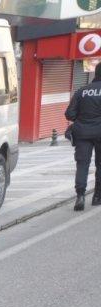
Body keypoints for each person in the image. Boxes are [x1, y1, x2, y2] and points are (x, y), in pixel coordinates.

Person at [66, 63, 101, 212]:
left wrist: (83, 118)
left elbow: (69, 114)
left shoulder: (82, 91)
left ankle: (80, 196)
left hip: (82, 133)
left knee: (82, 164)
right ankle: (97, 196)